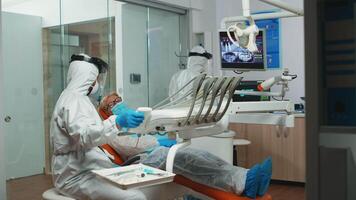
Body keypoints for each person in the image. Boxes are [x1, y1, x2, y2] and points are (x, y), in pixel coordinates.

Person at [100, 92, 273, 199]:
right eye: (112, 104)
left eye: (118, 100)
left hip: (152, 153)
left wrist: (155, 134)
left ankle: (247, 176)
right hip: (138, 162)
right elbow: (132, 146)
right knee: (185, 158)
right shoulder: (110, 126)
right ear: (106, 110)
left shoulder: (132, 120)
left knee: (199, 155)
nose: (118, 104)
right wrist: (158, 140)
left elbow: (144, 136)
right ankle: (244, 182)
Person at [50, 54, 147, 200]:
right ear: (87, 78)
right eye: (96, 80)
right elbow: (85, 136)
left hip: (87, 170)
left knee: (140, 185)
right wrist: (117, 122)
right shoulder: (73, 101)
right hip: (76, 176)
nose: (99, 85)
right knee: (135, 197)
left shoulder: (79, 99)